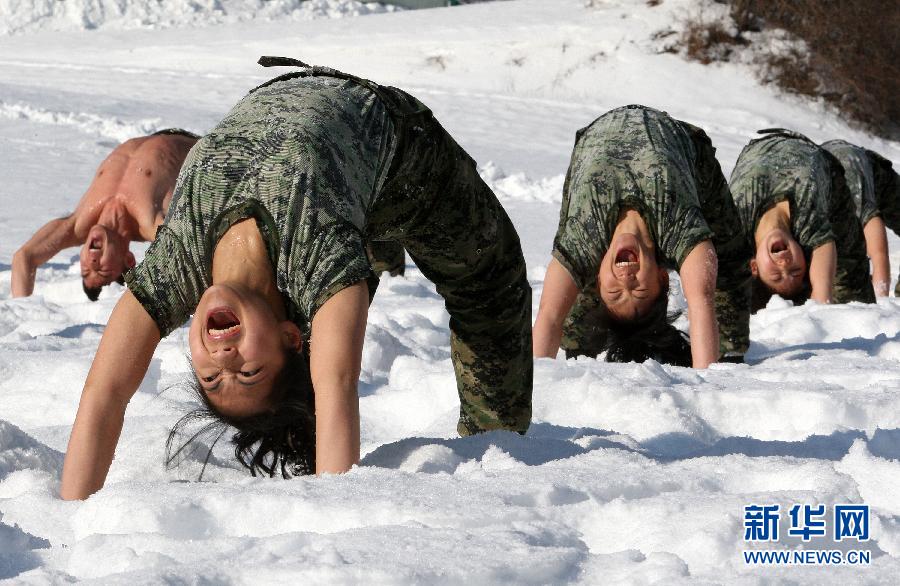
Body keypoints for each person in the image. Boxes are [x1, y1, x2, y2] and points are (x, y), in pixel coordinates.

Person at [60, 58, 532, 500]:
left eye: (210, 376)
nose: (223, 358)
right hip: (404, 158)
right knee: (493, 280)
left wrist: (71, 523)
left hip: (293, 88)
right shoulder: (316, 260)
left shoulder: (175, 268)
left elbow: (106, 391)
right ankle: (496, 449)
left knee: (360, 243)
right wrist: (328, 515)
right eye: (249, 371)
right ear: (290, 338)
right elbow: (335, 383)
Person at [532, 105, 751, 368]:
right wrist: (710, 383)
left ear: (599, 276)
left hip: (595, 133)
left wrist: (538, 396)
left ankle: (579, 347)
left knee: (572, 297)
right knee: (729, 255)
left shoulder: (582, 240)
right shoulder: (678, 230)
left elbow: (550, 316)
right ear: (662, 277)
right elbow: (701, 301)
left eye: (614, 291)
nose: (626, 279)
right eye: (640, 289)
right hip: (682, 141)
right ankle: (734, 352)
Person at [11, 129, 200, 300]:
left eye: (85, 270)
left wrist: (22, 308)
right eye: (102, 269)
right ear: (128, 259)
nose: (93, 262)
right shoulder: (150, 224)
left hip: (156, 133)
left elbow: (25, 257)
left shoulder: (77, 226)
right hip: (210, 151)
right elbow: (194, 253)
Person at [729, 129, 874, 311]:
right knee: (852, 280)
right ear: (807, 260)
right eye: (796, 271)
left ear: (754, 267)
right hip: (831, 179)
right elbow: (823, 251)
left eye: (776, 276)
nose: (784, 265)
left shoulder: (736, 226)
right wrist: (821, 307)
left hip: (761, 141)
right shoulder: (807, 223)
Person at [820, 139, 900, 297]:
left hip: (873, 174)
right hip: (825, 160)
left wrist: (881, 299)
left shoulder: (855, 193)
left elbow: (879, 253)